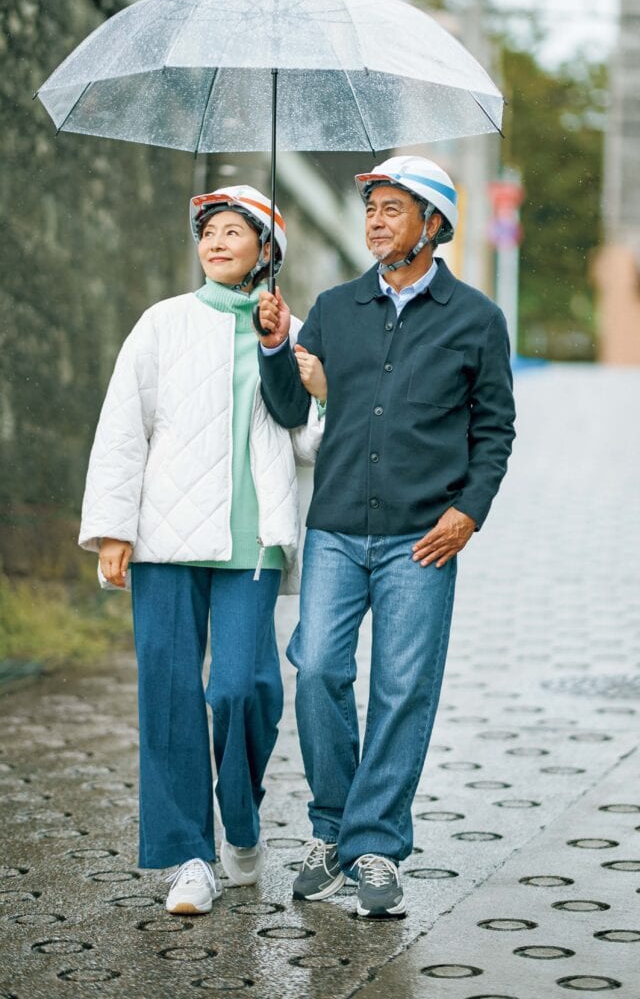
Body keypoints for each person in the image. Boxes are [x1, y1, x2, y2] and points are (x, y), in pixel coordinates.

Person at [257, 156, 516, 919]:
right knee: (319, 673)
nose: (374, 221)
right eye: (370, 208)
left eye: (392, 209)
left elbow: (495, 428)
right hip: (336, 525)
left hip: (422, 539)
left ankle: (374, 849)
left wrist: (470, 509)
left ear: (432, 224)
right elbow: (287, 409)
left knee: (402, 691)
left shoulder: (475, 320)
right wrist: (276, 346)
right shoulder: (335, 308)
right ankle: (334, 828)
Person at [79, 186, 323, 915]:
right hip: (165, 539)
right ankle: (190, 855)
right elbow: (125, 427)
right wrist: (114, 527)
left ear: (266, 251)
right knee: (169, 693)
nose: (216, 243)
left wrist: (295, 361)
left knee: (243, 687)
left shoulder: (292, 328)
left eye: (233, 233)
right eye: (208, 232)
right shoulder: (162, 324)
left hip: (252, 543)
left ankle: (241, 824)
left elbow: (309, 438)